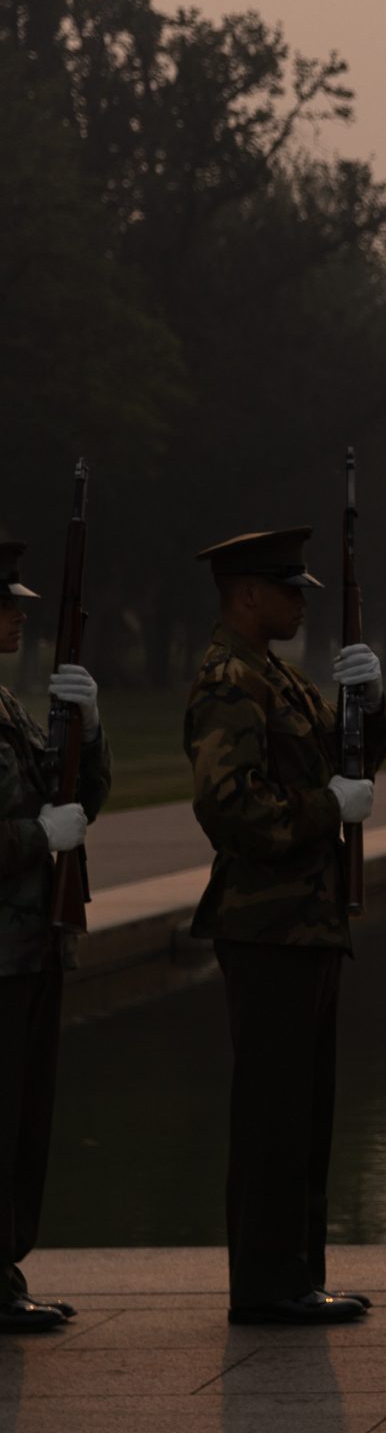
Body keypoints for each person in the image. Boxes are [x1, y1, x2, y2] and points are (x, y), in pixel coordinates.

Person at [185, 527, 386, 1327]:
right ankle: (270, 1284)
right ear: (245, 594)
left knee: (304, 1109)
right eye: (286, 587)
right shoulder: (229, 681)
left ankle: (296, 1273)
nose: (300, 599)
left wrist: (369, 704)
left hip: (305, 921)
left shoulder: (276, 677)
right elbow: (232, 810)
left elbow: (354, 760)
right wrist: (325, 810)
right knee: (274, 1111)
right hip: (268, 924)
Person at [0, 540, 106, 1332]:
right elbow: (43, 822)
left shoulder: (5, 704)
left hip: (33, 945)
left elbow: (78, 796)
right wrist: (38, 836)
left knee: (26, 1116)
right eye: (7, 603)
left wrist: (89, 731)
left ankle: (4, 1269)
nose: (20, 614)